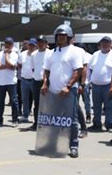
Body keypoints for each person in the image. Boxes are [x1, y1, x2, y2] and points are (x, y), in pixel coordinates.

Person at [41, 24, 83, 158]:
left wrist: (68, 86)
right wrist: (45, 84)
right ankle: (52, 143)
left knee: (71, 120)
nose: (61, 38)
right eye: (59, 35)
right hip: (53, 92)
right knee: (53, 119)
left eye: (64, 35)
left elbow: (78, 71)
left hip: (68, 92)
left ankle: (73, 146)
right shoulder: (52, 53)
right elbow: (46, 71)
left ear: (69, 37)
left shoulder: (75, 51)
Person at [88, 36, 112, 132]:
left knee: (109, 107)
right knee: (96, 106)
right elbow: (90, 68)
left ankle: (109, 124)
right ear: (100, 44)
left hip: (108, 85)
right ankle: (97, 124)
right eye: (103, 42)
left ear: (111, 44)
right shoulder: (95, 54)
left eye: (107, 42)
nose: (105, 44)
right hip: (95, 85)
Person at [0, 37, 20, 127]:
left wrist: (6, 56)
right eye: (6, 43)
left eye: (9, 44)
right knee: (0, 101)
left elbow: (12, 66)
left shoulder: (15, 55)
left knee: (13, 101)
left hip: (11, 82)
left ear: (12, 45)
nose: (7, 45)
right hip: (1, 82)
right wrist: (7, 66)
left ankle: (15, 119)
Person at [28, 35, 52, 131]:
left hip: (47, 81)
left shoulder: (50, 53)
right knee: (37, 104)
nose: (40, 44)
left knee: (48, 104)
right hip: (36, 81)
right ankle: (36, 123)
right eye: (39, 42)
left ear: (46, 44)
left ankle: (48, 123)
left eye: (42, 42)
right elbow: (33, 68)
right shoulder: (34, 54)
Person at [17, 38, 36, 123]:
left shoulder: (36, 54)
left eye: (33, 45)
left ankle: (37, 117)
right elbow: (19, 66)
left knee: (36, 99)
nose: (31, 47)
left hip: (34, 80)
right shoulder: (22, 54)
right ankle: (25, 115)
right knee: (24, 99)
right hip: (24, 79)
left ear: (35, 46)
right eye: (30, 45)